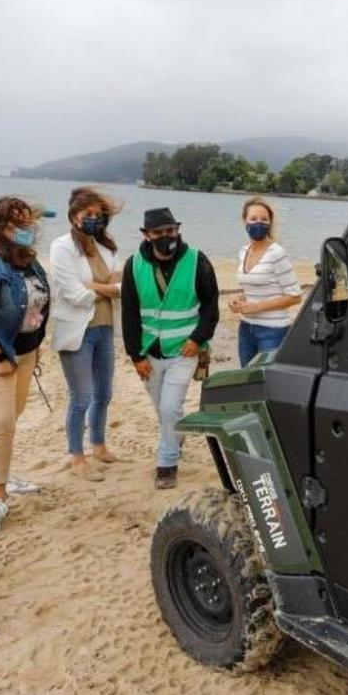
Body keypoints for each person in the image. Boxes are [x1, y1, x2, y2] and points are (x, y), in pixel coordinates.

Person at [121, 208, 219, 489]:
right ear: (146, 235)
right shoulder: (134, 265)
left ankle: (167, 463)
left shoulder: (198, 261)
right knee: (163, 410)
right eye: (158, 233)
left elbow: (211, 306)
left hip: (184, 351)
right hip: (149, 351)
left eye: (170, 231)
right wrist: (135, 355)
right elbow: (129, 313)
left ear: (177, 230)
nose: (166, 237)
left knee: (170, 406)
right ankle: (176, 437)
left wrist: (197, 339)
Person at [0, 197, 50, 522]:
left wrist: (36, 347)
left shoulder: (29, 261)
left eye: (29, 222)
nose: (28, 229)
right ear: (2, 227)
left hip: (26, 353)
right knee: (1, 422)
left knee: (13, 416)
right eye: (20, 224)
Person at [50, 187, 122, 480]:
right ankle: (76, 456)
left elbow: (121, 288)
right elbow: (76, 296)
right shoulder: (62, 247)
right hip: (77, 332)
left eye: (98, 215)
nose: (93, 219)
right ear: (74, 216)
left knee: (104, 393)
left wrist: (96, 288)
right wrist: (104, 289)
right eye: (88, 214)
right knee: (81, 397)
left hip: (104, 329)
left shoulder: (106, 247)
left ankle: (99, 445)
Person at [229, 197, 301, 366]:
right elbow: (251, 290)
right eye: (253, 219)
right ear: (244, 221)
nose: (258, 223)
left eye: (264, 219)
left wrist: (258, 307)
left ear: (270, 223)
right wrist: (238, 299)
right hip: (246, 328)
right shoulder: (243, 251)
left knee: (268, 383)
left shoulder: (277, 253)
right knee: (248, 381)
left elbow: (295, 296)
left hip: (273, 331)